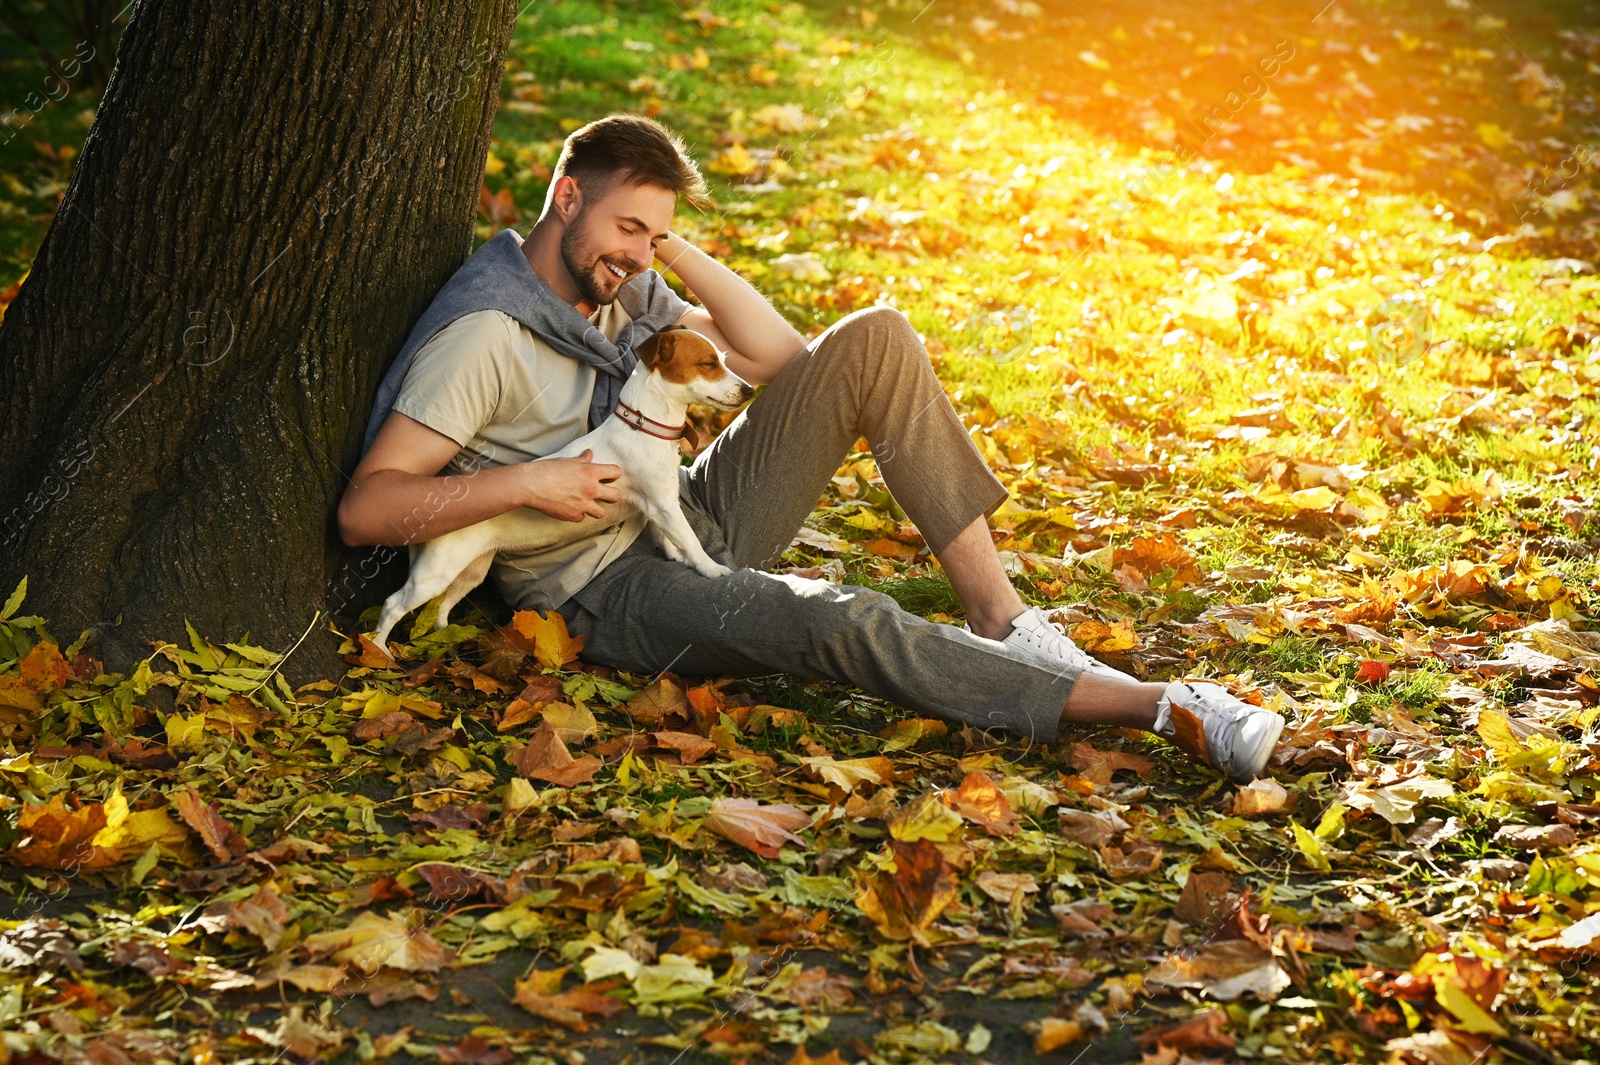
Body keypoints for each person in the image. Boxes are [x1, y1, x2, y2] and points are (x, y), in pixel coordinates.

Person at [337, 114, 1284, 784]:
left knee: (873, 337)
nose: (635, 252)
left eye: (654, 235)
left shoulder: (616, 285)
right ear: (564, 194)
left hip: (687, 510)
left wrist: (661, 251)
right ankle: (1168, 706)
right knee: (846, 619)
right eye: (627, 225)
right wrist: (531, 480)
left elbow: (783, 362)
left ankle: (1001, 619)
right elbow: (369, 505)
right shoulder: (487, 332)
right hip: (604, 587)